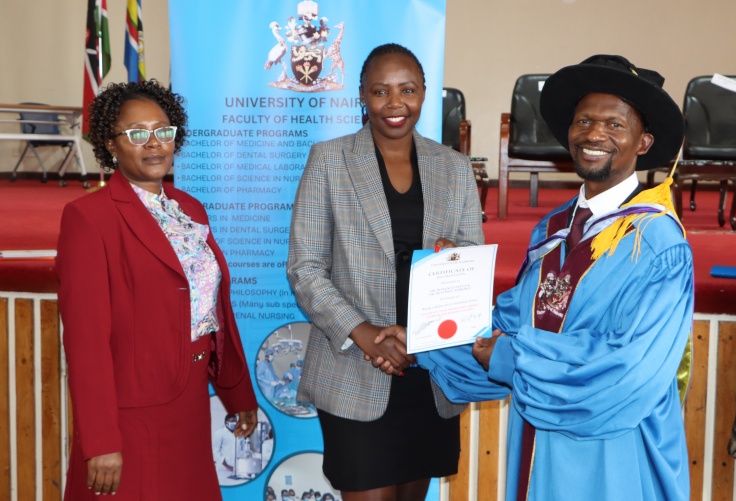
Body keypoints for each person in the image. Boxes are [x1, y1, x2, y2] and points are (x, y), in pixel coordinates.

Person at [375, 55, 693, 500]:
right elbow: (509, 320)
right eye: (584, 121)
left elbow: (628, 370)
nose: (594, 134)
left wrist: (514, 357)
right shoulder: (554, 228)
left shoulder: (657, 244)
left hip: (613, 454)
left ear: (643, 142)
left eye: (615, 125)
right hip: (537, 446)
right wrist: (424, 338)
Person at [287, 43, 484, 500]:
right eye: (381, 91)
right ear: (362, 96)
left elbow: (470, 256)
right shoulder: (329, 160)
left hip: (428, 371)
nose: (395, 103)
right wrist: (365, 335)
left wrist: (454, 258)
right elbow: (305, 267)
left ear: (424, 93)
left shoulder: (454, 167)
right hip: (355, 368)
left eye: (407, 90)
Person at [56, 79, 258, 499]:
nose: (153, 144)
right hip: (133, 412)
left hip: (190, 402)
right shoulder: (89, 218)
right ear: (110, 145)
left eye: (163, 131)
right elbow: (85, 340)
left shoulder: (189, 208)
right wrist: (101, 440)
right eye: (136, 134)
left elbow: (213, 309)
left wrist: (236, 392)